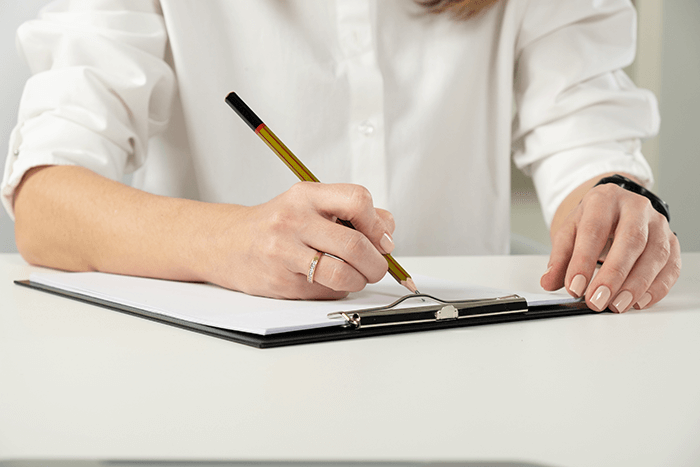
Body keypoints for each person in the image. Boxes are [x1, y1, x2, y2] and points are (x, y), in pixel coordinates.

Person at [2, 0, 680, 312]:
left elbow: (586, 140)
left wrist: (613, 199)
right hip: (212, 398)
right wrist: (230, 240)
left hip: (464, 386)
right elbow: (45, 201)